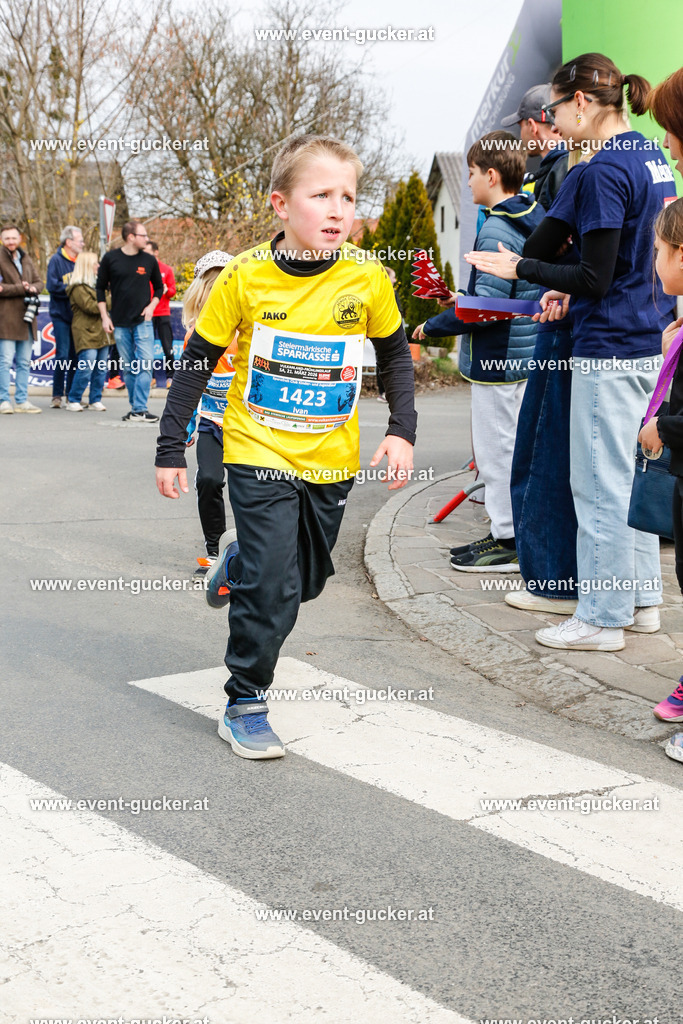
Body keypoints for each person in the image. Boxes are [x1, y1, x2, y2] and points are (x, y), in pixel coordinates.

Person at [155, 134, 416, 760]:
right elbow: (197, 360)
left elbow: (396, 355)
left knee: (307, 581)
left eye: (348, 197)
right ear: (280, 203)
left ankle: (239, 562)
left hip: (330, 459)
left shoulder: (366, 278)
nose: (337, 210)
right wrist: (172, 445)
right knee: (273, 589)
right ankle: (245, 697)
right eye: (320, 195)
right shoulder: (245, 277)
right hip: (256, 450)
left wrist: (402, 431)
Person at [466, 52, 676, 651]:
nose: (552, 123)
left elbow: (597, 275)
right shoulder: (651, 156)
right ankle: (640, 603)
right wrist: (560, 284)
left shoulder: (604, 170)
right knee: (625, 479)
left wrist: (523, 267)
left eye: (556, 109)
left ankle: (602, 617)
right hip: (644, 339)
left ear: (581, 102)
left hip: (609, 345)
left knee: (600, 486)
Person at [414, 130, 544, 572]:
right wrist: (459, 298)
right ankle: (508, 533)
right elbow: (502, 296)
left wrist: (429, 326)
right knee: (513, 449)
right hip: (524, 355)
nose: (467, 182)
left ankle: (506, 540)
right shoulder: (532, 212)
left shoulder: (495, 229)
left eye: (471, 174)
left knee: (496, 454)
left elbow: (489, 311)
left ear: (491, 175)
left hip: (497, 360)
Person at [180, 250, 236, 578]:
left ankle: (256, 548)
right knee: (210, 480)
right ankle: (215, 549)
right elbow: (186, 386)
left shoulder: (251, 329)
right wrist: (185, 424)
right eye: (210, 286)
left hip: (248, 425)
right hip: (212, 422)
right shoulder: (195, 335)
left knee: (251, 488)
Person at [96, 220, 163, 423]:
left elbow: (159, 288)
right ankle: (136, 409)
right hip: (119, 322)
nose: (147, 239)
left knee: (145, 363)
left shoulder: (149, 260)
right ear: (131, 237)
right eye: (143, 235)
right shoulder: (110, 258)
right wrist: (104, 316)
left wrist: (151, 307)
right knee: (128, 366)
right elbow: (99, 288)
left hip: (143, 321)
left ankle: (140, 408)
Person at [501, 84, 569, 210]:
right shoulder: (577, 159)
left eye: (521, 126)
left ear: (532, 126)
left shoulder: (559, 170)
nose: (521, 135)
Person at [0, 225, 43, 414]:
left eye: (13, 238)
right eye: (7, 238)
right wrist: (22, 288)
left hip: (27, 317)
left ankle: (22, 400)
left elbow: (40, 282)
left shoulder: (26, 258)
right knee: (5, 361)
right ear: (2, 239)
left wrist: (33, 288)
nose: (11, 241)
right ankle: (3, 400)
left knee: (25, 362)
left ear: (19, 238)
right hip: (6, 318)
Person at [65, 251, 111, 411]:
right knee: (86, 365)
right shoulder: (77, 287)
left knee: (101, 367)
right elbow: (91, 307)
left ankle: (95, 399)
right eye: (95, 263)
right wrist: (110, 299)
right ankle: (74, 399)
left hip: (102, 330)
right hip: (85, 330)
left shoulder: (100, 286)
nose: (98, 266)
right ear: (86, 266)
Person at [46, 225, 84, 407]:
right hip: (61, 315)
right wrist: (74, 289)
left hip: (78, 316)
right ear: (69, 242)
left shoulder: (82, 261)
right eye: (80, 240)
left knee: (75, 356)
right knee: (62, 355)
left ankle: (71, 395)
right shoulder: (56, 260)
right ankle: (56, 395)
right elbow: (52, 286)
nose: (82, 244)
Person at [145, 240, 177, 388]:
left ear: (156, 252)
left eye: (148, 252)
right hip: (147, 314)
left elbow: (173, 291)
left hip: (163, 313)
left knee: (167, 347)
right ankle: (150, 378)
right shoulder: (143, 269)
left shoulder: (166, 269)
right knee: (146, 347)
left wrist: (166, 290)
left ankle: (170, 377)